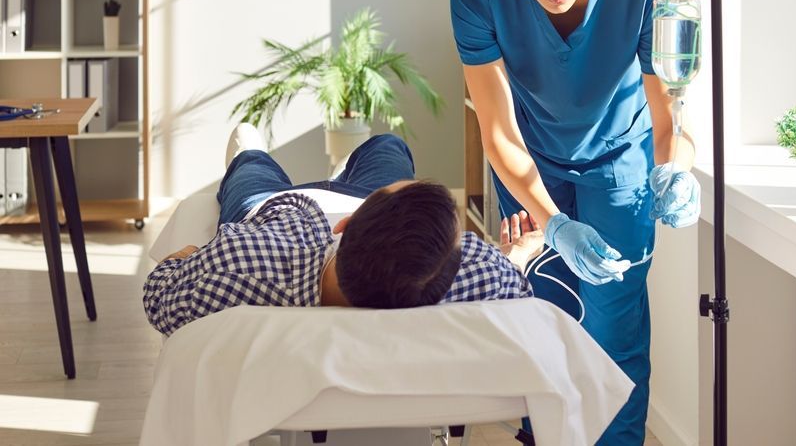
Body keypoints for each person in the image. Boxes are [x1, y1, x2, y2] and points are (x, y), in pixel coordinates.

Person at [449, 0, 702, 444]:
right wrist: (553, 222)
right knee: (542, 312)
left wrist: (675, 171)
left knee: (615, 323)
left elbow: (670, 119)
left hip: (620, 160)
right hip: (529, 160)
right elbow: (497, 130)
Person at [143, 124, 535, 337]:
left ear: (343, 228)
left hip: (272, 209)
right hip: (362, 203)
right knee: (387, 144)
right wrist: (517, 253)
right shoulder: (471, 273)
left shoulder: (241, 258)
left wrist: (185, 255)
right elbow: (512, 282)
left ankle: (253, 149)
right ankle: (347, 170)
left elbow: (160, 298)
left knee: (249, 155)